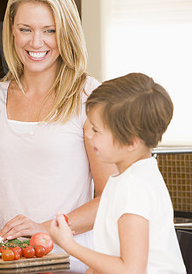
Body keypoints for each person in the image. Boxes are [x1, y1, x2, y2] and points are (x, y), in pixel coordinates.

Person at [0, 0, 116, 270]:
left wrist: (43, 228)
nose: (36, 42)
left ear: (66, 33)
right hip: (4, 262)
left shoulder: (89, 99)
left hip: (67, 263)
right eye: (25, 29)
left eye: (49, 30)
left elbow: (110, 197)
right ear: (12, 31)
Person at [50, 73, 186, 273]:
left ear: (131, 141)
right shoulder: (132, 177)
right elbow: (113, 258)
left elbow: (131, 270)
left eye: (96, 130)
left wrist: (69, 245)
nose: (87, 134)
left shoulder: (133, 188)